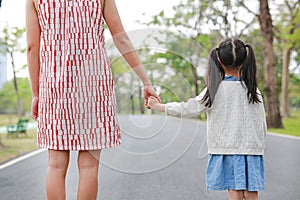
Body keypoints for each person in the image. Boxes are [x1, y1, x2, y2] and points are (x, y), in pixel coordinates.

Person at [26, 0, 160, 199]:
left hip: (54, 87)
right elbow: (120, 38)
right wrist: (145, 81)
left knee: (55, 165)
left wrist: (36, 93)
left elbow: (32, 46)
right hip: (94, 86)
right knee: (89, 166)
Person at [148, 38, 267, 200]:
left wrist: (159, 107)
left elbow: (188, 108)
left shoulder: (214, 90)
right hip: (252, 149)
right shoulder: (253, 90)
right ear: (246, 58)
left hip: (227, 148)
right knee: (252, 192)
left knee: (235, 192)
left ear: (218, 59)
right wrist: (258, 146)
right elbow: (261, 123)